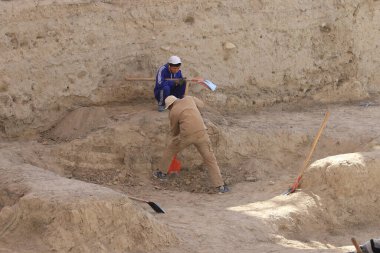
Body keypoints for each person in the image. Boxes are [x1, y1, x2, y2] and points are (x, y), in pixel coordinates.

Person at [154, 95, 229, 194]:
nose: (169, 110)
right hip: (202, 133)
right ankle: (220, 186)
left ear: (170, 106)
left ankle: (161, 173)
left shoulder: (173, 112)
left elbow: (174, 131)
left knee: (170, 149)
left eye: (168, 108)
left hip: (187, 136)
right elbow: (201, 104)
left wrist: (175, 139)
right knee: (210, 159)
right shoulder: (189, 98)